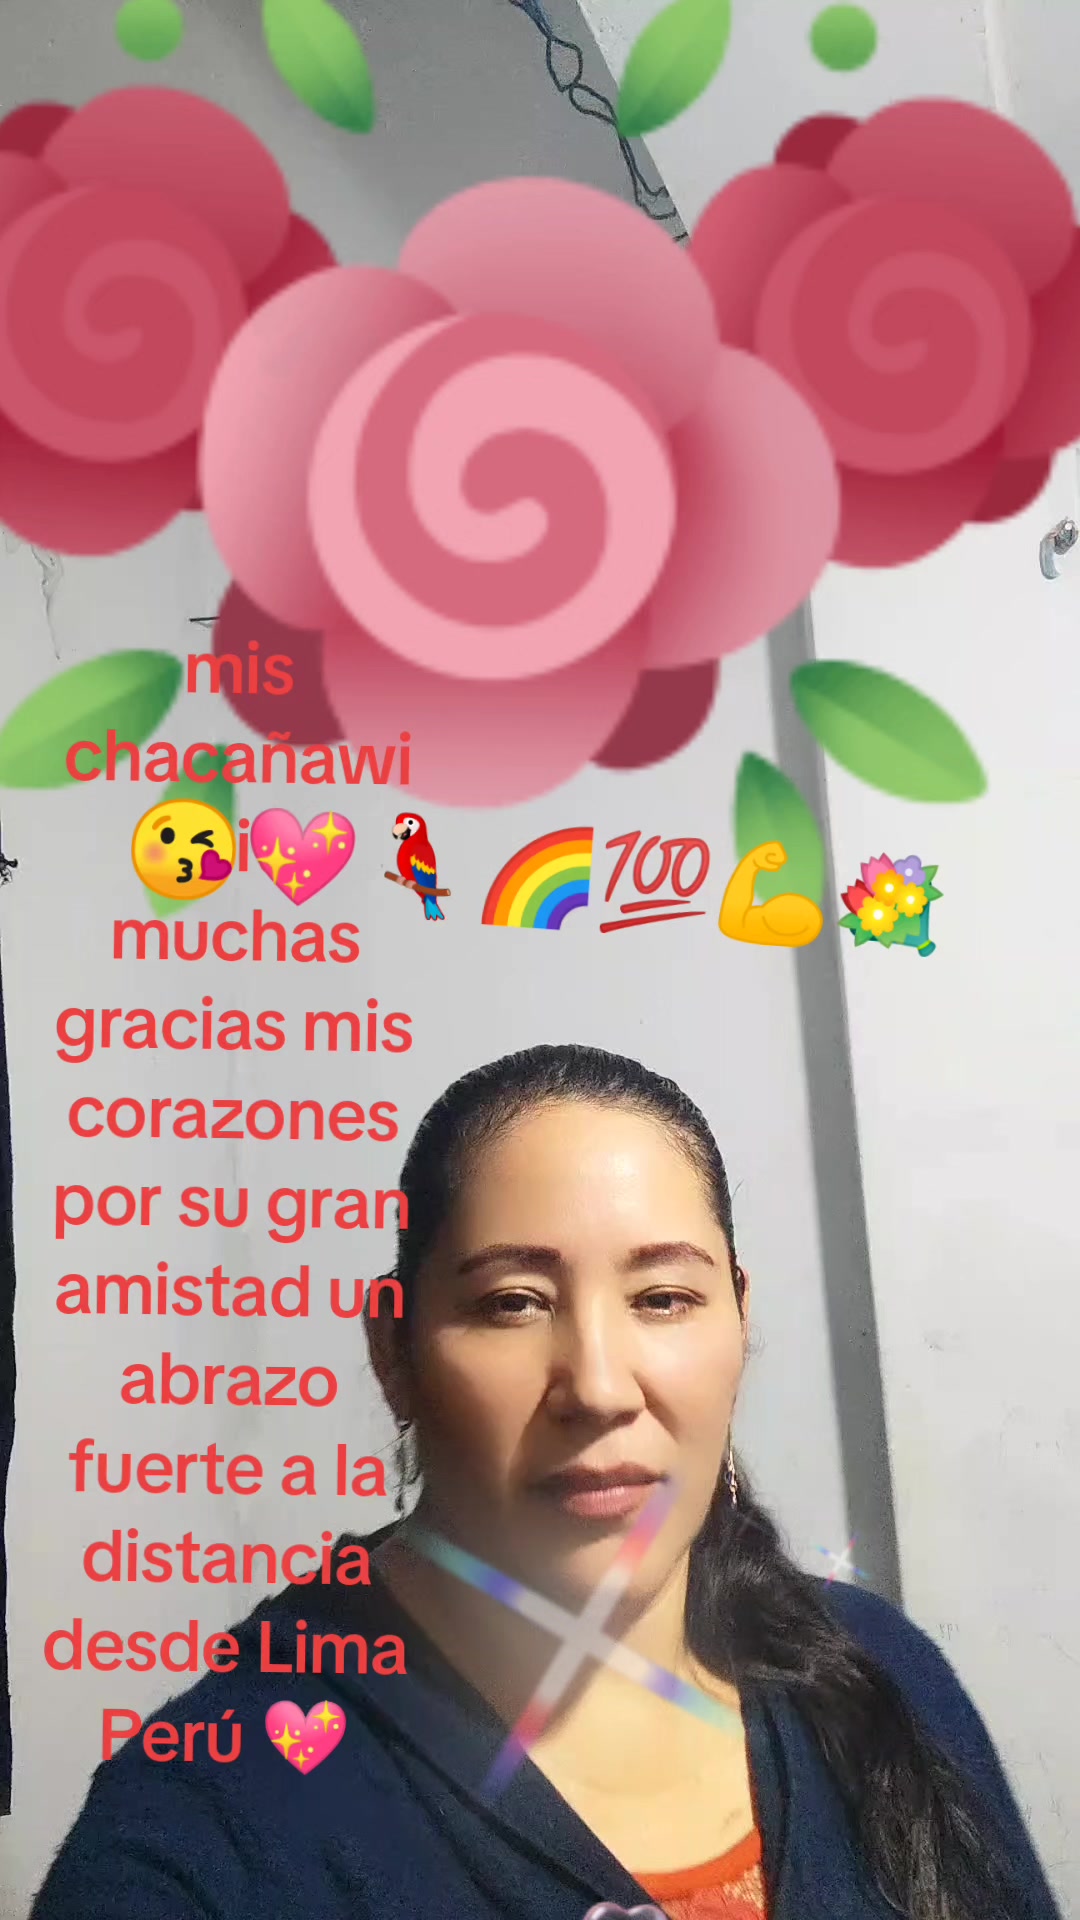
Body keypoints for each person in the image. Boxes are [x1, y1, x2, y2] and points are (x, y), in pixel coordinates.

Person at [31, 1045, 1061, 1920]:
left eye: (664, 1297)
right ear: (393, 1350)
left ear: (740, 1320)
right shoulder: (202, 1831)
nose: (600, 1388)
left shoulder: (883, 1680)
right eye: (513, 1304)